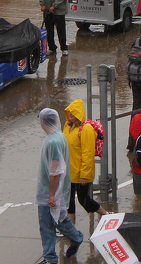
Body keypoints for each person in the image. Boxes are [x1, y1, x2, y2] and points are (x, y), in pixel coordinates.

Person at [36, 108, 84, 264]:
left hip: (52, 190)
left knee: (51, 223)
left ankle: (72, 240)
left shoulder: (53, 142)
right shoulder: (58, 137)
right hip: (58, 188)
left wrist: (51, 194)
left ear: (43, 122)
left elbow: (55, 170)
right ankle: (54, 254)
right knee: (55, 221)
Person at [62, 99, 108, 223]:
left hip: (80, 172)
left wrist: (85, 175)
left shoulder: (86, 129)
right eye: (69, 113)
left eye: (73, 113)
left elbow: (88, 153)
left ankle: (105, 214)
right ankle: (70, 224)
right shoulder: (67, 126)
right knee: (68, 199)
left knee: (84, 199)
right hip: (68, 171)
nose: (70, 115)